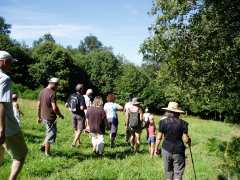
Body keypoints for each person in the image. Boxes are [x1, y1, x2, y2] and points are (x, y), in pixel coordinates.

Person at [0, 50, 28, 180]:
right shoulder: (5, 79)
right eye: (11, 63)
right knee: (21, 154)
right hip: (8, 128)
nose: (12, 65)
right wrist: (2, 129)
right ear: (4, 62)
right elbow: (0, 104)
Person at [155, 102, 191, 180]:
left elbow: (159, 137)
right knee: (178, 173)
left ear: (168, 111)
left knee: (168, 172)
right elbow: (185, 140)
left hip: (166, 149)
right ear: (178, 112)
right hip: (179, 150)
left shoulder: (162, 122)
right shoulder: (183, 123)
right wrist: (189, 140)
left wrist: (156, 148)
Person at [37, 77, 64, 156]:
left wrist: (38, 116)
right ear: (53, 84)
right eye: (57, 85)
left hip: (44, 116)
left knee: (48, 132)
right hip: (50, 117)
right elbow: (54, 108)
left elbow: (38, 105)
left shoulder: (42, 91)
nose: (57, 86)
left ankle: (43, 146)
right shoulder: (52, 93)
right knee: (51, 134)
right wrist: (60, 115)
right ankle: (47, 153)